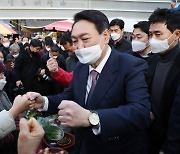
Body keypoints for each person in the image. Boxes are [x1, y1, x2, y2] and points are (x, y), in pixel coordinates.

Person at [26, 10, 151, 154]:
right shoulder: (81, 66)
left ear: (105, 36)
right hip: (83, 145)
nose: (79, 46)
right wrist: (44, 102)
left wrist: (92, 118)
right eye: (74, 41)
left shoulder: (130, 65)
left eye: (85, 39)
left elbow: (140, 112)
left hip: (115, 147)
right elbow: (70, 95)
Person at [146, 8, 180, 154]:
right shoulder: (151, 61)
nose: (152, 39)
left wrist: (169, 148)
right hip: (149, 134)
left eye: (158, 34)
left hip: (171, 140)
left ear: (176, 34)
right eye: (150, 34)